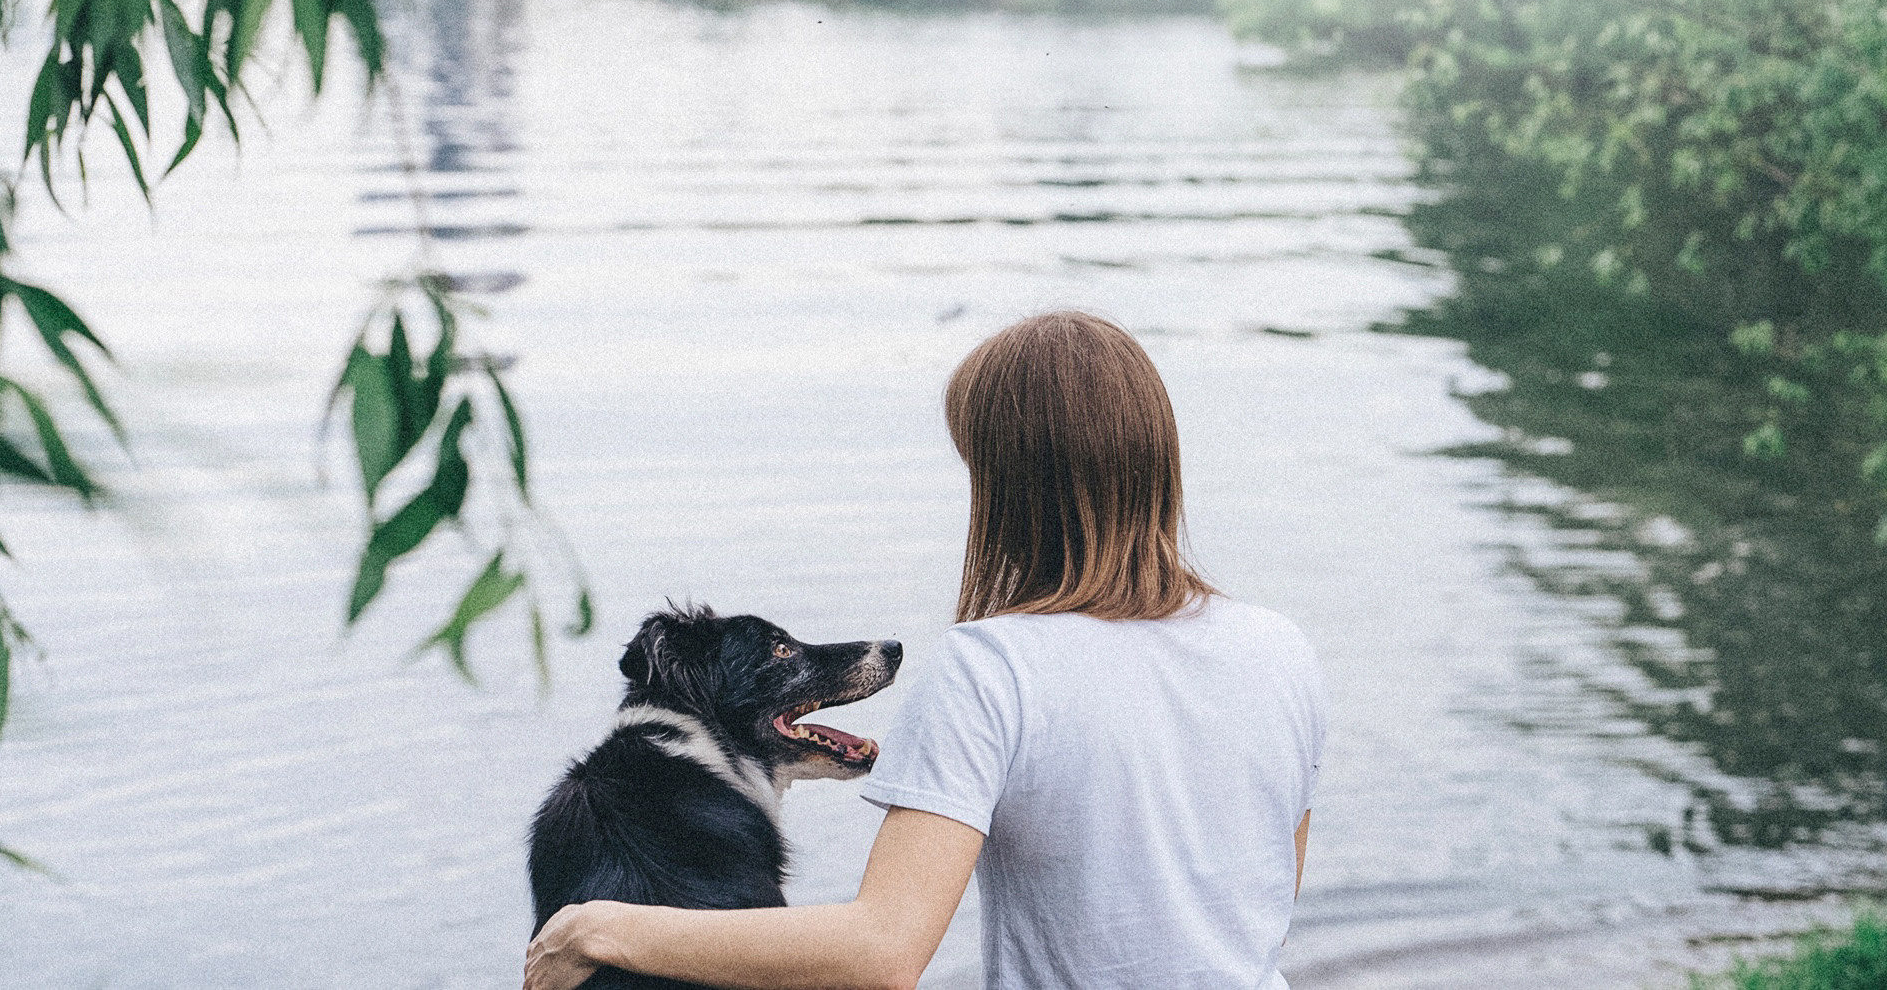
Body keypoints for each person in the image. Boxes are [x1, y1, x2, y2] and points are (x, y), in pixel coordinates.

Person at [524, 311, 1327, 990]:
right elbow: (1258, 906)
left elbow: (883, 950)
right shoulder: (1280, 649)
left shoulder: (996, 666)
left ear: (1008, 489)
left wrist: (602, 926)